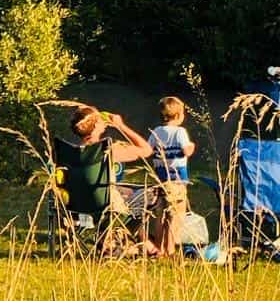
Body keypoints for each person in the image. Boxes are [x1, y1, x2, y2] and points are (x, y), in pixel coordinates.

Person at [67, 104, 156, 255]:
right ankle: (141, 244)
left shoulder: (71, 152)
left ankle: (134, 244)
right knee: (154, 194)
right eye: (100, 119)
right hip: (108, 208)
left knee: (125, 192)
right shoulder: (108, 150)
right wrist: (121, 126)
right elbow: (147, 150)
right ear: (95, 126)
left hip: (78, 209)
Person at [145, 96, 197, 255]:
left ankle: (159, 247)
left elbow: (147, 150)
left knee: (160, 214)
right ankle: (170, 248)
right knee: (176, 214)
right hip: (177, 180)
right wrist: (192, 146)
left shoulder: (156, 132)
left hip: (160, 179)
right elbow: (187, 151)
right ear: (178, 115)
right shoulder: (180, 132)